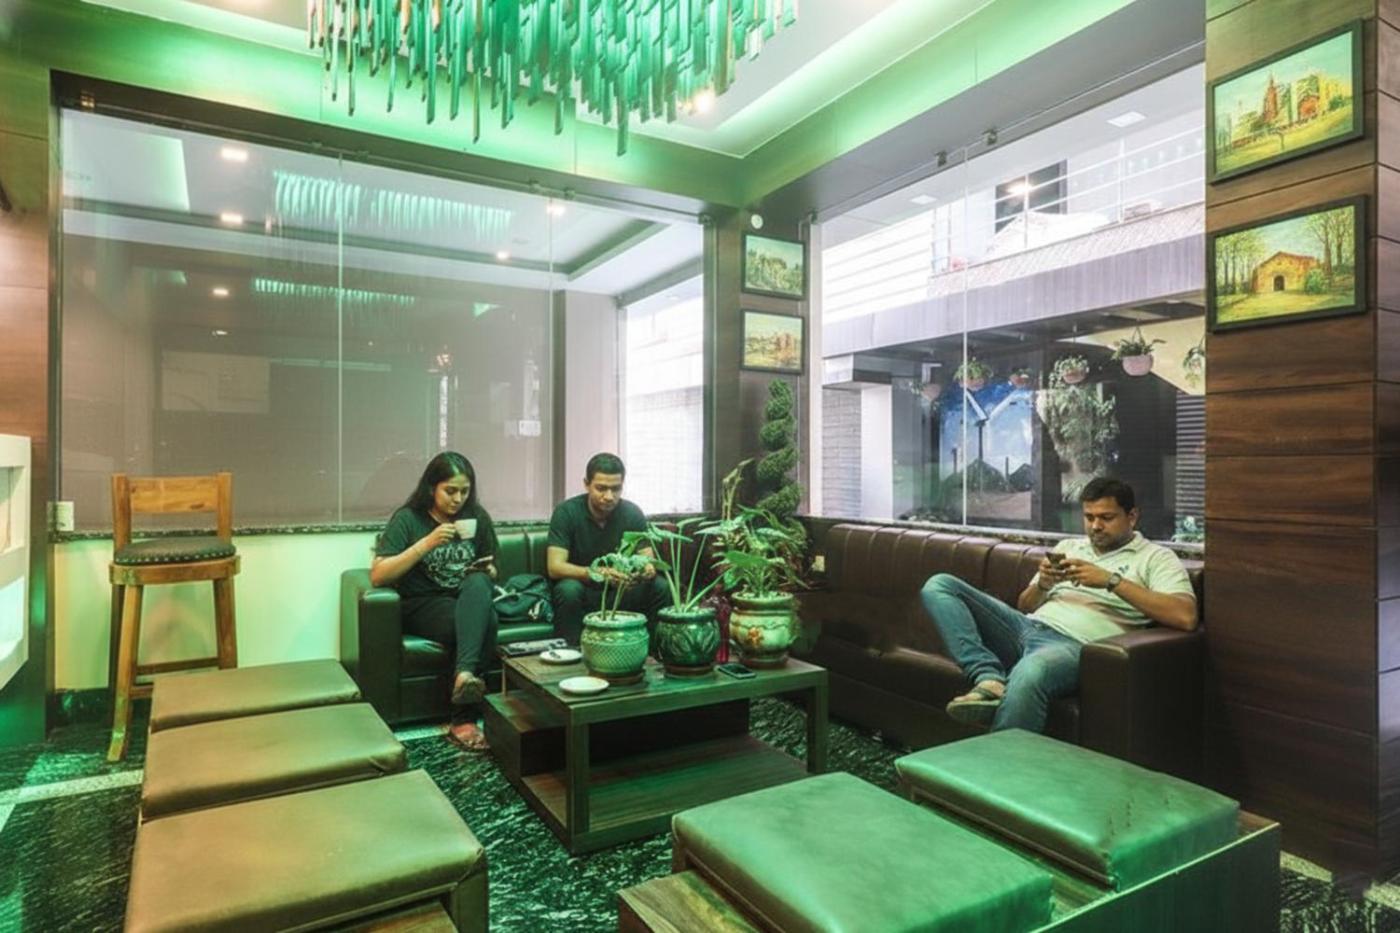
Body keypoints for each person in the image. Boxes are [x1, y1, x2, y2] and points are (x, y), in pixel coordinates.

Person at [920, 477, 1197, 733]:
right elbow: (1025, 606)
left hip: (1074, 645)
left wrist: (1110, 581)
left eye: (1106, 518)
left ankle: (1002, 767)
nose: (1095, 526)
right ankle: (988, 676)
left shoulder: (1156, 557)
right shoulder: (1069, 547)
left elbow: (1185, 616)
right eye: (1089, 517)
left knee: (1031, 672)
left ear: (1132, 516)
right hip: (1024, 628)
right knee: (940, 585)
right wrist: (1043, 585)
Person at [371, 451, 499, 751]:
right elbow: (378, 575)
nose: (458, 499)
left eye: (464, 491)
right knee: (486, 621)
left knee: (479, 585)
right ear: (432, 488)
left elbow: (492, 569)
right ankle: (463, 717)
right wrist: (427, 543)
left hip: (464, 598)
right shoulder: (408, 519)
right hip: (422, 603)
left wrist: (486, 569)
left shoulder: (476, 517)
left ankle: (464, 676)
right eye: (450, 491)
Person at [546, 452, 669, 645]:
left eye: (616, 489)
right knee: (568, 590)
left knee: (660, 587)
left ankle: (654, 651)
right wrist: (599, 574)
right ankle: (571, 652)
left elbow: (647, 559)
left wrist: (644, 570)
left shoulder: (632, 513)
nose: (609, 496)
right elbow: (555, 567)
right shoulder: (566, 512)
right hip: (585, 589)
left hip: (622, 590)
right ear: (586, 484)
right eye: (601, 488)